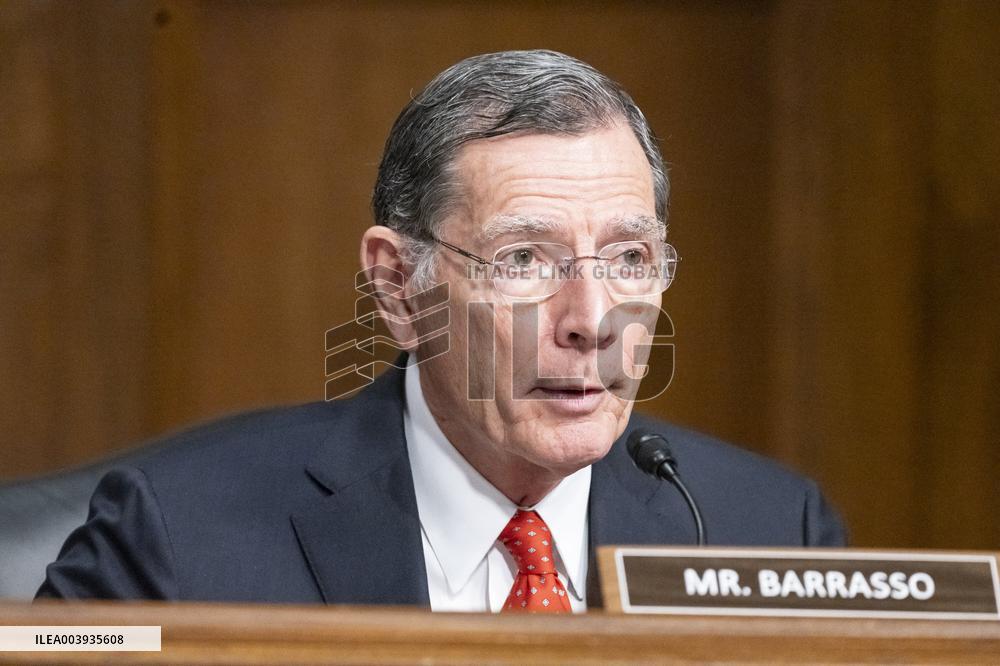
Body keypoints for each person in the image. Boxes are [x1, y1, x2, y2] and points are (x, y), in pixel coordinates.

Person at [37, 50, 845, 612]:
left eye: (630, 259)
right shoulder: (180, 535)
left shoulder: (772, 533)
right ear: (398, 285)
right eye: (525, 258)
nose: (593, 321)